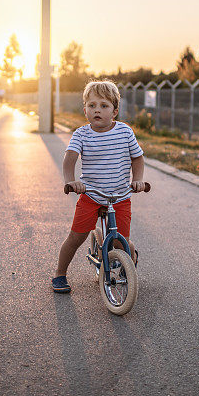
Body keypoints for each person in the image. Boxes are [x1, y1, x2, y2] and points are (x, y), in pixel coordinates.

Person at [52, 80, 146, 293]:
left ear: (114, 110)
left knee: (122, 243)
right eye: (92, 105)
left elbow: (137, 159)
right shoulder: (81, 134)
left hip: (120, 196)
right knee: (76, 237)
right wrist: (71, 181)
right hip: (91, 195)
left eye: (104, 106)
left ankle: (129, 257)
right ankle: (59, 273)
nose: (97, 110)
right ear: (85, 110)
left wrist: (138, 179)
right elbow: (70, 159)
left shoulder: (124, 132)